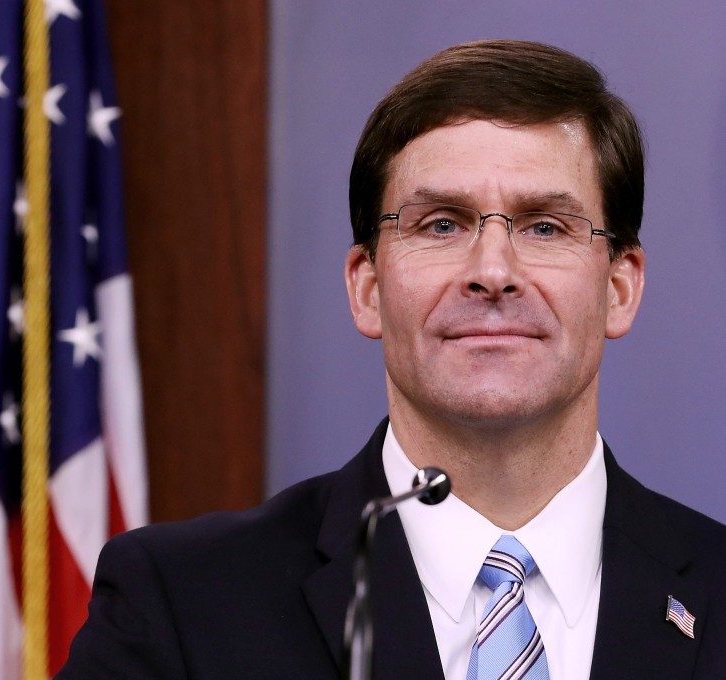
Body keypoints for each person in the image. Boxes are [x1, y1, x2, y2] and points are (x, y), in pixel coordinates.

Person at [57, 40, 726, 679]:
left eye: (545, 226)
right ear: (367, 288)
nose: (493, 271)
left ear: (620, 287)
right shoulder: (182, 605)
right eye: (441, 224)